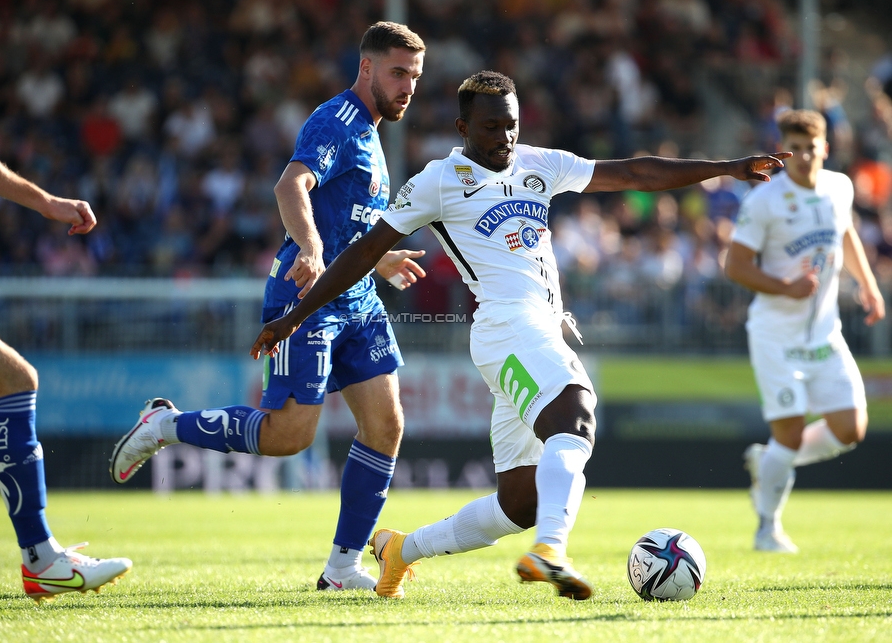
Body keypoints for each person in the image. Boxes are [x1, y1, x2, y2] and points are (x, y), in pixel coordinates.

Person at [250, 70, 789, 599]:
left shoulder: (540, 163)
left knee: (519, 502)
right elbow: (363, 254)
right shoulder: (439, 180)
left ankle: (401, 550)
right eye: (489, 127)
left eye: (510, 125)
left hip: (537, 331)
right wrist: (293, 317)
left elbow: (637, 174)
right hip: (506, 325)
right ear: (463, 128)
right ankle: (550, 550)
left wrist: (727, 167)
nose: (504, 137)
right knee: (576, 413)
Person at [109, 21, 427, 591]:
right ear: (367, 68)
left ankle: (341, 568)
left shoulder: (375, 135)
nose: (407, 86)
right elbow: (291, 186)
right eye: (398, 72)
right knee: (290, 436)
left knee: (386, 426)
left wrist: (376, 261)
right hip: (306, 299)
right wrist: (308, 246)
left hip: (356, 297)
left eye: (415, 77)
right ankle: (165, 425)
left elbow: (346, 219)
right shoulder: (338, 119)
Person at [0, 0, 131, 602]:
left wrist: (44, 202)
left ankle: (41, 559)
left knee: (13, 381)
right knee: (14, 382)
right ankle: (40, 558)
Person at [725, 109, 885, 553]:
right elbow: (734, 265)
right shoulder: (763, 201)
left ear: (826, 149)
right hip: (776, 334)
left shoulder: (840, 186)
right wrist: (785, 287)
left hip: (824, 332)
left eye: (812, 147)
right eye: (793, 148)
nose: (803, 156)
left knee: (851, 428)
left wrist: (868, 286)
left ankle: (769, 462)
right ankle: (767, 528)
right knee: (790, 435)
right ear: (783, 151)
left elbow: (846, 234)